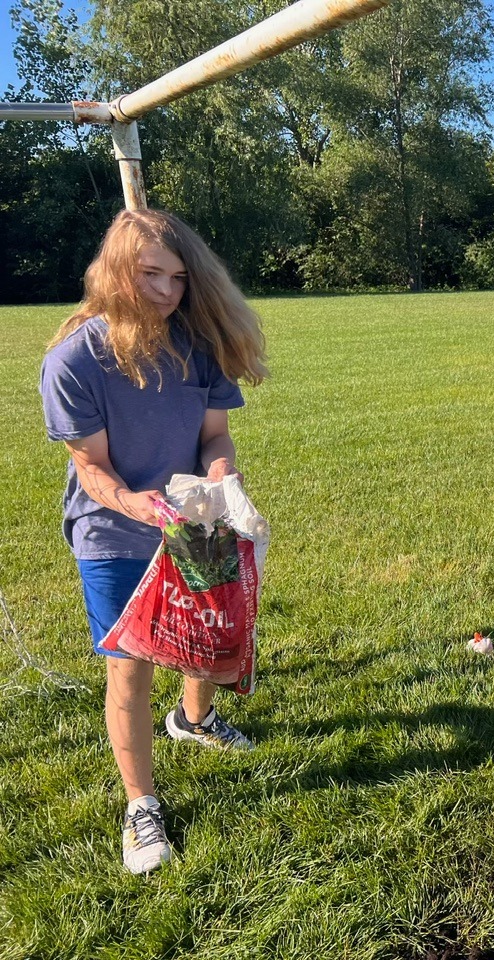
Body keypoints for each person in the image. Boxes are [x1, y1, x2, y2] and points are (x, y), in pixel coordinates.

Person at [40, 209, 268, 875]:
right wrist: (139, 505)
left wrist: (221, 473)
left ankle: (194, 721)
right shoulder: (72, 363)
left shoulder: (199, 348)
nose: (168, 292)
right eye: (150, 275)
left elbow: (214, 437)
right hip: (113, 530)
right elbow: (92, 469)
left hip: (196, 515)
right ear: (115, 272)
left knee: (209, 633)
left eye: (177, 278)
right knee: (130, 667)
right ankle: (141, 803)